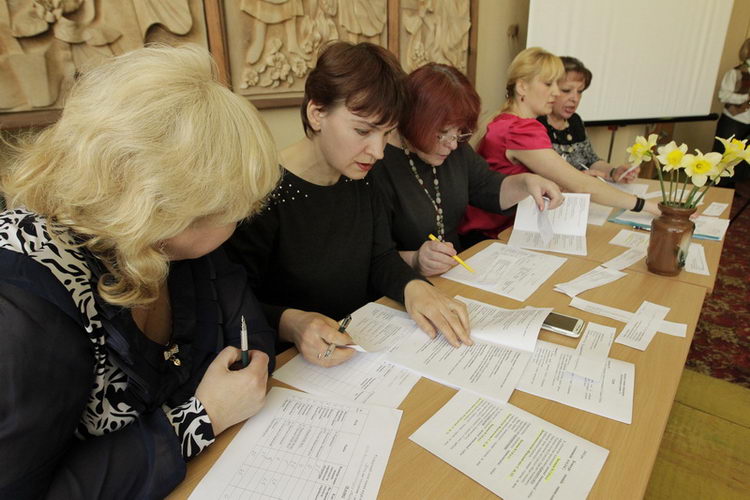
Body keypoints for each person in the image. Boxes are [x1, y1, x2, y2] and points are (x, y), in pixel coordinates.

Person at [0, 45, 280, 499]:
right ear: (159, 205)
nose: (243, 217)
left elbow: (247, 333)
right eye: (232, 209)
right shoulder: (26, 308)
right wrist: (200, 418)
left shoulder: (179, 246)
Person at [225, 42, 472, 364]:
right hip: (292, 362)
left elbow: (380, 256)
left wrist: (414, 288)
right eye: (363, 131)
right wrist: (293, 324)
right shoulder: (262, 193)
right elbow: (233, 304)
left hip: (361, 342)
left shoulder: (362, 177)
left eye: (386, 134)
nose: (378, 151)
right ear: (317, 113)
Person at [370, 63, 563, 276]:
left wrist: (526, 182)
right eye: (443, 134)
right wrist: (415, 260)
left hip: (455, 272)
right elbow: (371, 256)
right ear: (415, 122)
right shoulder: (376, 162)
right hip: (402, 282)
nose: (453, 144)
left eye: (459, 133)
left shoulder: (455, 148)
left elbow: (487, 186)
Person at [459, 47, 660, 241]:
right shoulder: (520, 130)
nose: (555, 93)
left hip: (493, 229)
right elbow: (582, 186)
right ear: (522, 87)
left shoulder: (504, 120)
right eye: (548, 84)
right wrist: (647, 206)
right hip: (492, 235)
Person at [538, 56, 639, 183]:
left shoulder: (575, 120)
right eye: (566, 90)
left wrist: (613, 172)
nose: (575, 98)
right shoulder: (535, 124)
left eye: (580, 91)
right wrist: (579, 178)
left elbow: (590, 160)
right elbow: (539, 174)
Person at [713, 37, 750, 187]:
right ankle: (718, 189)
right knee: (724, 158)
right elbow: (723, 95)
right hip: (733, 121)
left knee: (742, 161)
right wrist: (746, 97)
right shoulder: (735, 73)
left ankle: (734, 189)